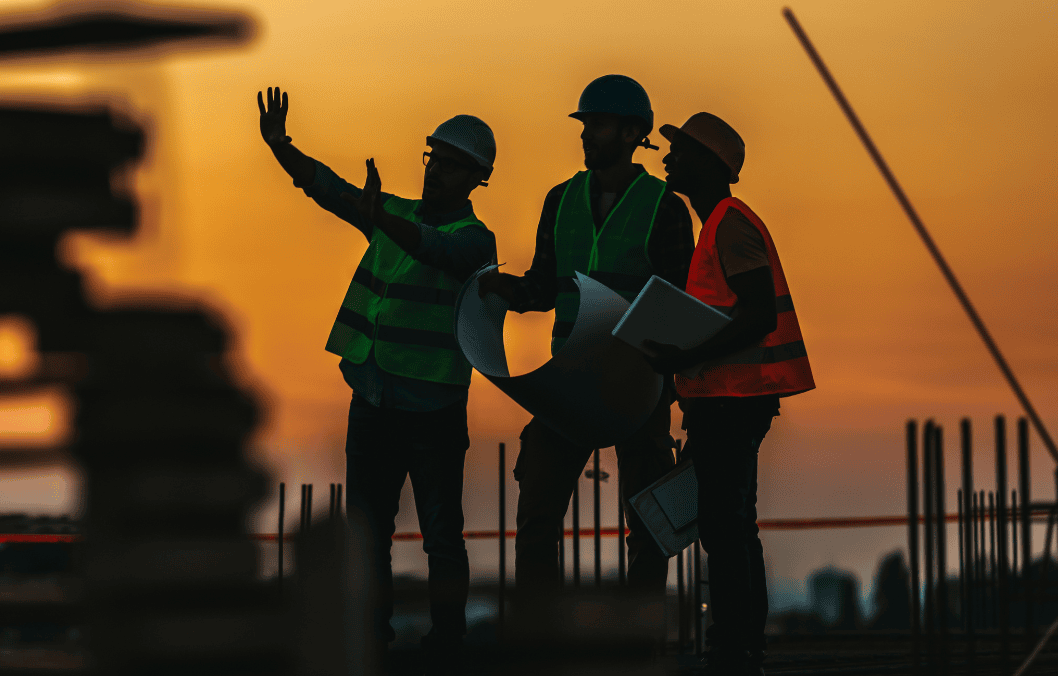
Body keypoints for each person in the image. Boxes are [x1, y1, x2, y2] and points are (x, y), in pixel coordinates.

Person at [257, 87, 497, 673]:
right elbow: (331, 190)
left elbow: (438, 250)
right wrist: (282, 148)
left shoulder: (477, 240)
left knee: (442, 535)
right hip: (374, 396)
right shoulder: (392, 215)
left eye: (448, 163)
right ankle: (372, 636)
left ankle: (447, 644)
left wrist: (380, 217)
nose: (435, 170)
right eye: (432, 157)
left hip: (433, 407)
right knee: (368, 534)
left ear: (475, 178)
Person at [478, 75, 693, 604]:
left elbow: (680, 307)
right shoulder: (561, 200)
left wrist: (670, 387)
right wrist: (508, 292)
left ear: (630, 133)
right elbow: (546, 284)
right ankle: (542, 645)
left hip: (638, 386)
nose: (586, 135)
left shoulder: (662, 206)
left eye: (596, 124)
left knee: (647, 526)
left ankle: (637, 646)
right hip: (570, 384)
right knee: (536, 522)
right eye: (586, 124)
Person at [643, 112, 816, 675]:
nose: (667, 159)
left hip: (735, 402)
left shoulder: (729, 225)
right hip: (722, 400)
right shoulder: (715, 224)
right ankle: (739, 645)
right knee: (732, 525)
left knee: (727, 527)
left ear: (708, 164)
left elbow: (757, 313)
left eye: (680, 151)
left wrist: (684, 356)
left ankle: (735, 648)